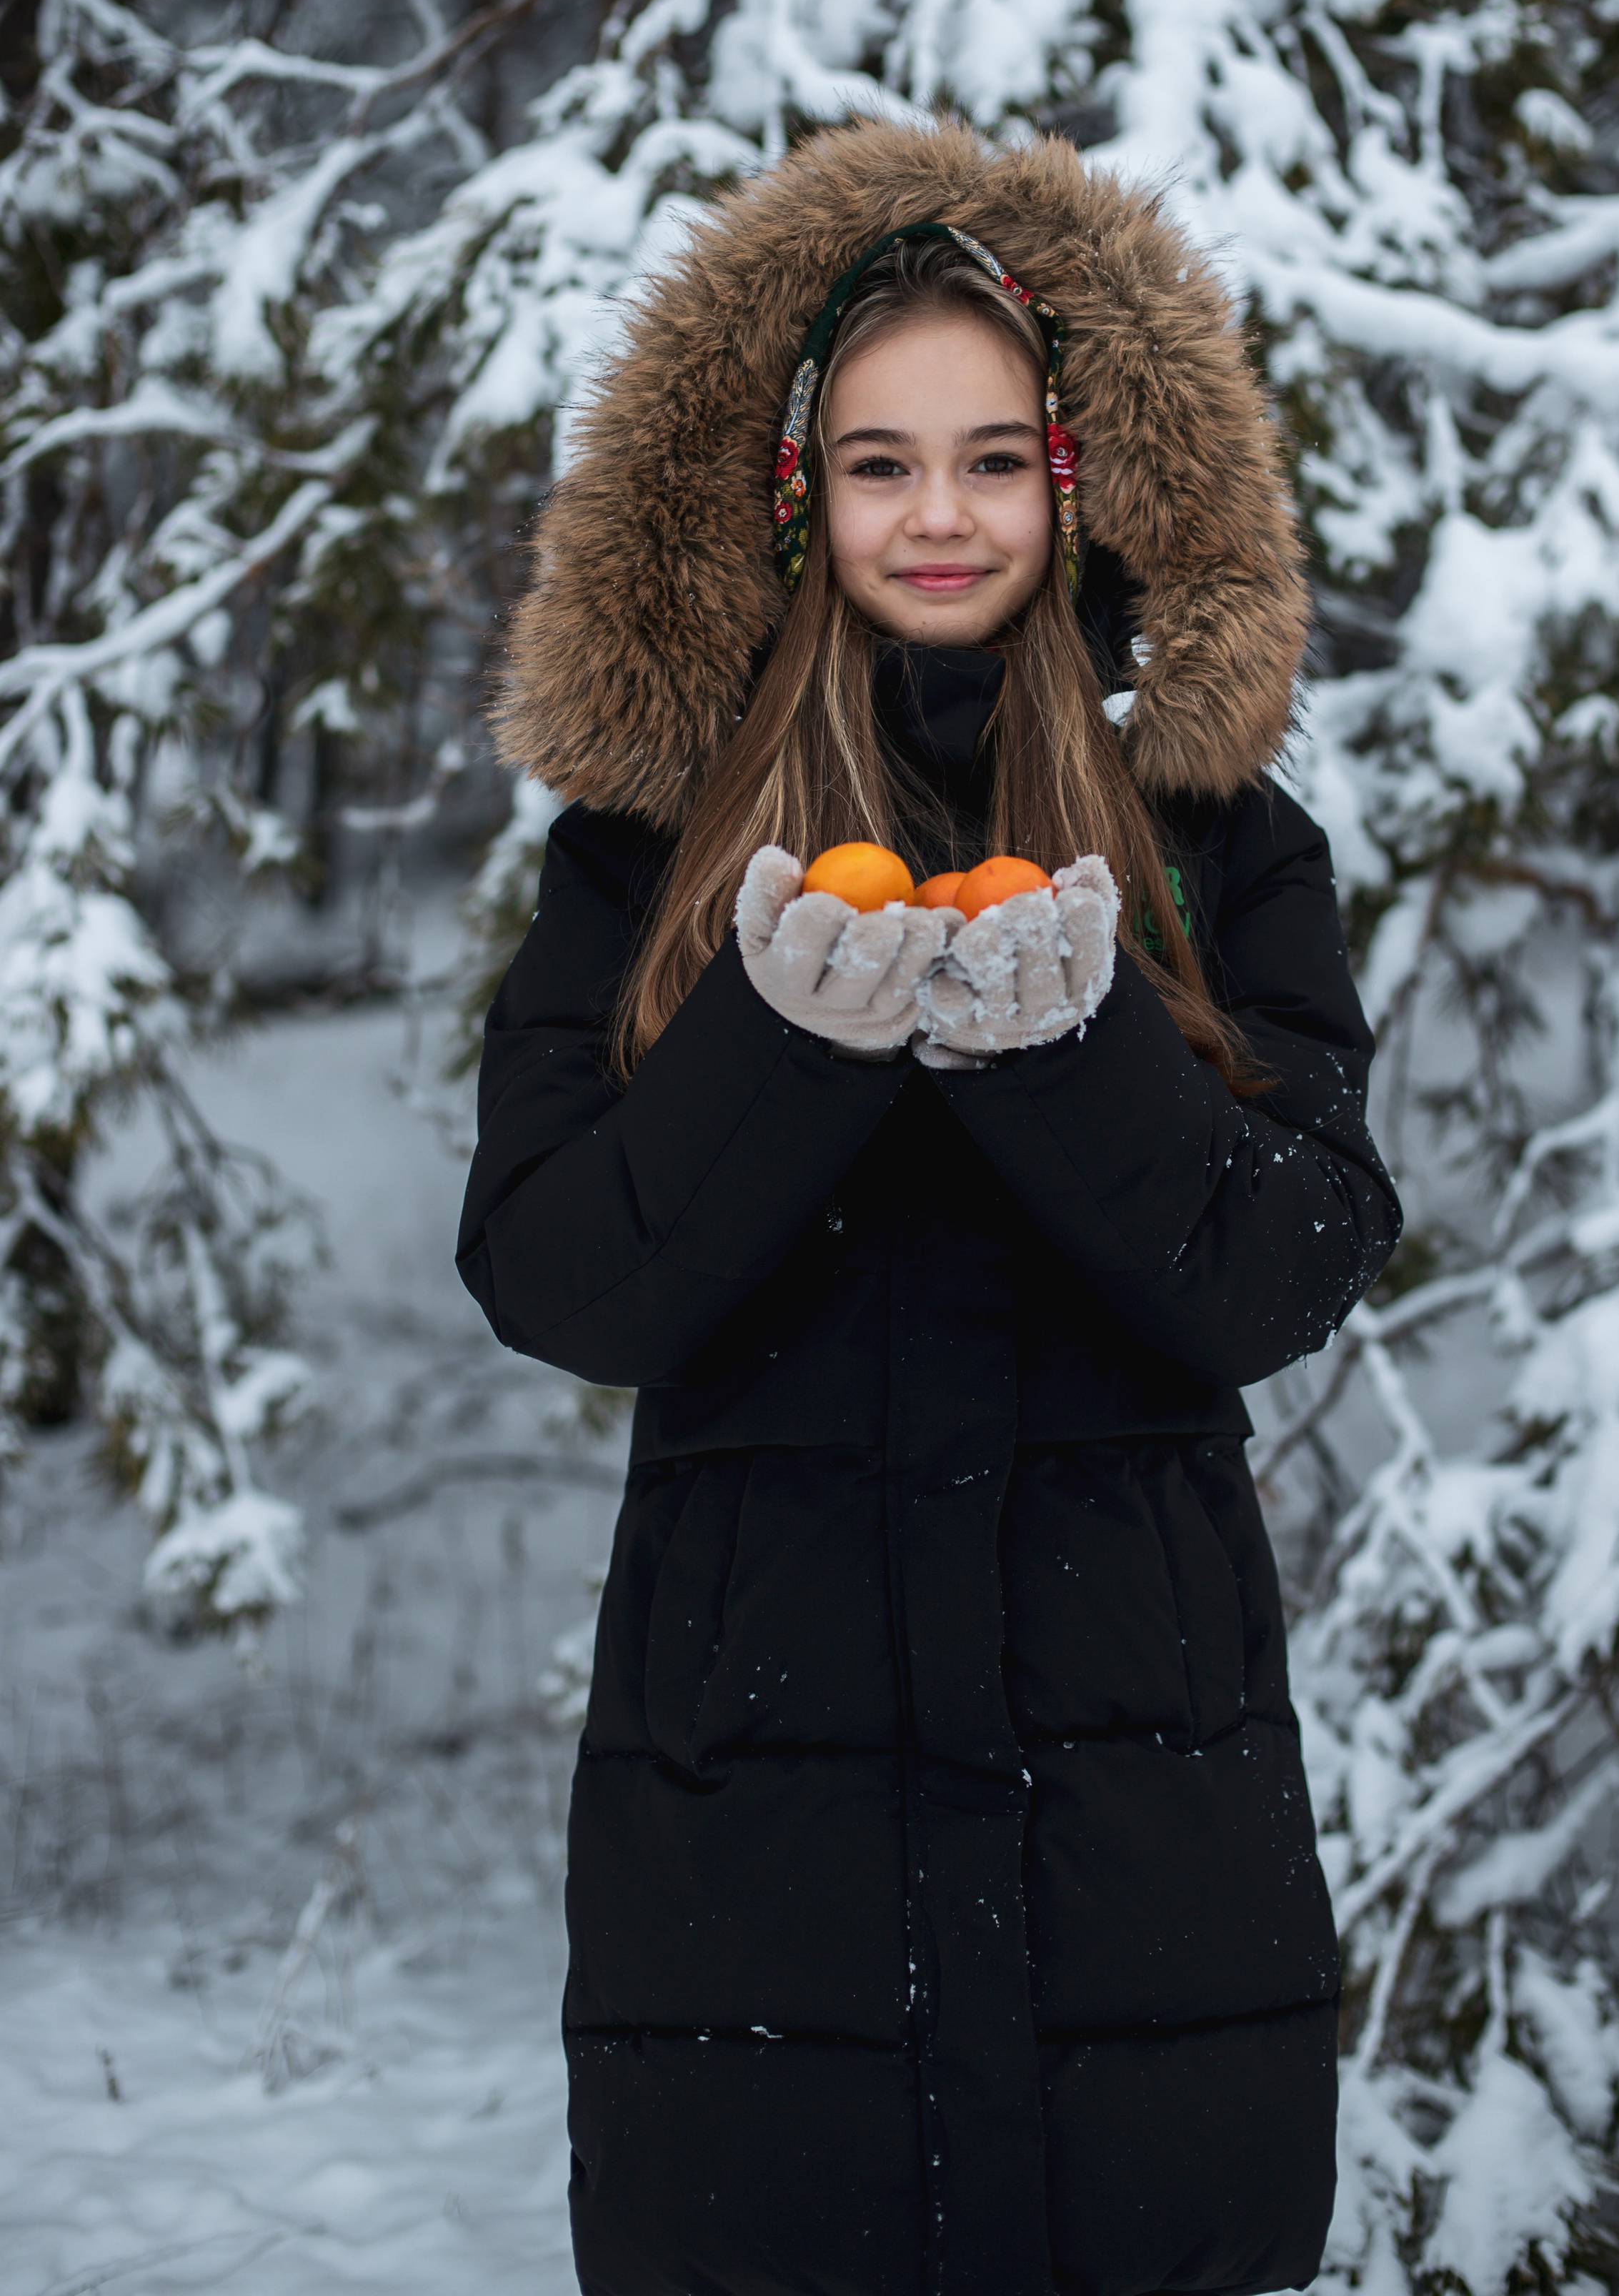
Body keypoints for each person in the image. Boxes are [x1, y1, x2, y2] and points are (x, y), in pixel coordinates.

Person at [457, 116, 1400, 2296]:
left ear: (1078, 481)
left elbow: (1290, 1263)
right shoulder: (644, 850)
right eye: (881, 464)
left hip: (1135, 1807)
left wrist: (1079, 1056)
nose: (942, 516)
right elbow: (561, 1276)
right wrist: (781, 1044)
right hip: (757, 1811)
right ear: (800, 493)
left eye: (994, 459)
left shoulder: (1212, 836)